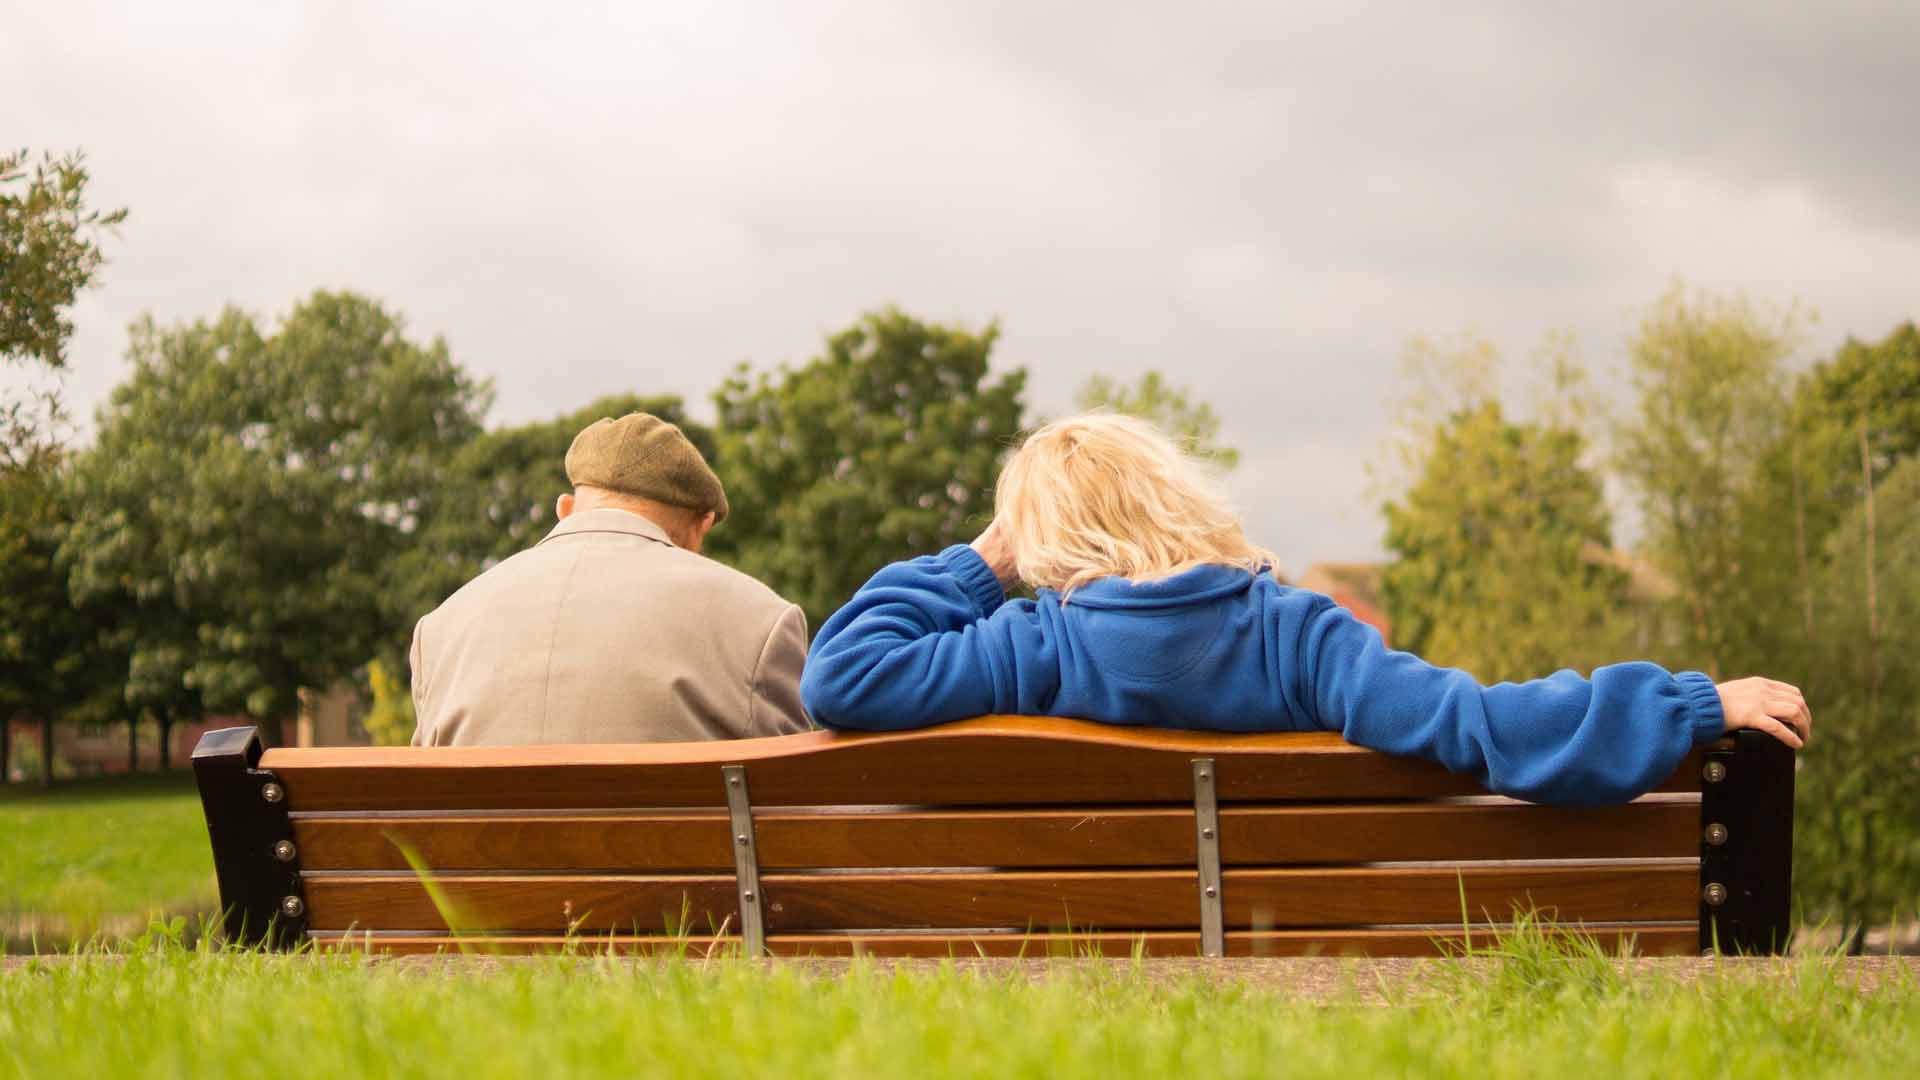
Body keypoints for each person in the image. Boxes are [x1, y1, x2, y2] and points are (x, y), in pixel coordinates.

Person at [800, 413, 1810, 805]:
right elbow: (1479, 725)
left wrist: (983, 563)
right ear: (1178, 499)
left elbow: (841, 675)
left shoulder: (1025, 646)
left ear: (1045, 543)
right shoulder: (1300, 636)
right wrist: (1687, 705)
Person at [411, 412, 811, 745]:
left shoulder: (440, 628)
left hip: (476, 845)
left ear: (565, 508)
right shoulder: (761, 620)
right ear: (700, 524)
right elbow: (792, 805)